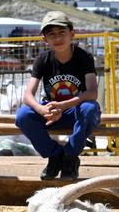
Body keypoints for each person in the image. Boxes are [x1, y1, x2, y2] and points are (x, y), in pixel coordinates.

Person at [15, 11, 101, 180]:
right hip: (52, 112)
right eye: (51, 34)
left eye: (62, 32)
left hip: (75, 111)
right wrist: (41, 109)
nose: (57, 38)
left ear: (72, 34)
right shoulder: (43, 60)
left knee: (90, 109)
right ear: (44, 39)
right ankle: (54, 156)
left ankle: (70, 157)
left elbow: (92, 92)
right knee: (23, 116)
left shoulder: (84, 57)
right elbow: (28, 95)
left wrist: (64, 105)